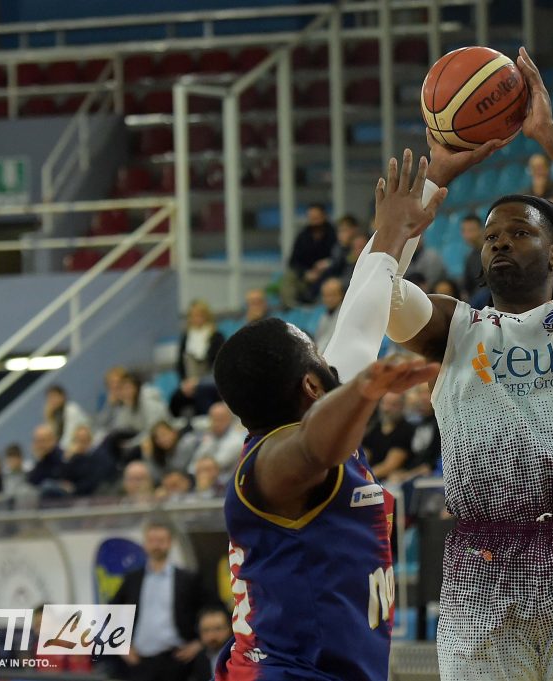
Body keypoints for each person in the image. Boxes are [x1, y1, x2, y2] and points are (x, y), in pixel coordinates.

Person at [381, 47, 553, 678]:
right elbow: (380, 298)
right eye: (492, 236)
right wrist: (434, 182)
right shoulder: (455, 328)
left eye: (520, 232)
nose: (500, 241)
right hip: (482, 564)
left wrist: (548, 135)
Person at [211, 148, 446, 680]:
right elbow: (317, 448)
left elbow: (363, 312)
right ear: (311, 385)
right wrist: (363, 393)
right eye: (317, 352)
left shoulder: (316, 402)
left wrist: (433, 179)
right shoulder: (269, 468)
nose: (331, 352)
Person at [111, 520, 206, 681]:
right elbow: (111, 611)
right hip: (139, 661)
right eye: (152, 541)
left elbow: (210, 610)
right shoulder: (133, 579)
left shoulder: (187, 579)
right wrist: (120, 645)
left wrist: (199, 643)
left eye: (161, 541)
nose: (156, 545)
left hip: (177, 660)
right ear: (145, 543)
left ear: (170, 543)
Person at [169, 299, 225, 419]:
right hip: (189, 382)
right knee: (176, 397)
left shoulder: (216, 336)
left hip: (210, 381)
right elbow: (180, 365)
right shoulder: (186, 337)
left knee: (202, 391)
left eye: (200, 315)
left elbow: (218, 365)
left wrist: (198, 382)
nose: (196, 318)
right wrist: (185, 383)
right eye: (193, 316)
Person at [280, 204, 337, 307]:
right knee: (289, 279)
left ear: (324, 217)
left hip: (328, 274)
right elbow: (293, 261)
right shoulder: (303, 236)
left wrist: (327, 264)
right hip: (306, 276)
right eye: (311, 218)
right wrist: (305, 273)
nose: (314, 221)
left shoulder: (334, 234)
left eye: (317, 218)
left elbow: (339, 257)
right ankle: (292, 310)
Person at [363, 392, 415, 481]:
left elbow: (389, 466)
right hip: (370, 478)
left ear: (402, 406)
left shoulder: (406, 430)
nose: (386, 409)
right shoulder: (374, 428)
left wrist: (363, 477)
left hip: (391, 481)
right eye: (384, 403)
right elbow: (364, 457)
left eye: (393, 405)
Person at [190, 402, 245, 474]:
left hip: (224, 478)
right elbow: (193, 465)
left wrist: (197, 467)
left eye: (220, 419)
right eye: (213, 419)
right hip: (202, 476)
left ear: (230, 419)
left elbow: (213, 467)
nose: (216, 423)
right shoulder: (210, 436)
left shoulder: (236, 441)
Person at [43, 384, 90, 451]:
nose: (52, 400)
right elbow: (53, 438)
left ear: (63, 396)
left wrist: (57, 451)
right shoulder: (57, 416)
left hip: (88, 446)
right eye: (49, 398)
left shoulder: (71, 409)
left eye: (54, 396)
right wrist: (49, 418)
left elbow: (69, 438)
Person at [190, 608, 231, 681]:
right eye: (206, 630)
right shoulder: (199, 659)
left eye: (218, 629)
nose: (212, 636)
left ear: (229, 628)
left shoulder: (239, 655)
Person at [314, 276, 344, 350]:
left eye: (333, 295)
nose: (329, 299)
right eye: (326, 296)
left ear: (341, 295)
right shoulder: (324, 315)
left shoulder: (343, 315)